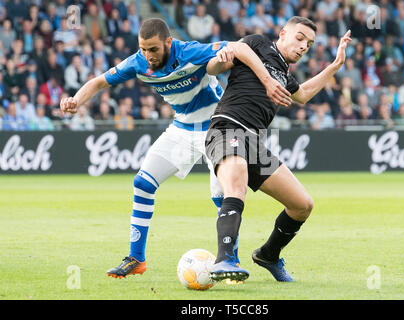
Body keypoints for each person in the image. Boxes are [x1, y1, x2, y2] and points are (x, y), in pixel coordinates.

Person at [60, 18, 290, 279]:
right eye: (143, 49)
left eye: (153, 50)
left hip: (215, 129)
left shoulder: (189, 51)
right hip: (181, 129)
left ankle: (230, 261)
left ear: (168, 42)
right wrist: (75, 100)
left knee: (224, 195)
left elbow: (238, 47)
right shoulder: (137, 62)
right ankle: (137, 258)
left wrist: (234, 59)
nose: (147, 56)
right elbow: (99, 82)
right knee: (143, 183)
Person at [204, 16, 352, 282]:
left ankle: (268, 255)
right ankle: (223, 259)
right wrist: (263, 79)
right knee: (236, 186)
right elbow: (227, 57)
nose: (304, 46)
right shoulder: (259, 43)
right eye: (299, 38)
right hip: (227, 128)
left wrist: (335, 65)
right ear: (283, 33)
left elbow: (304, 94)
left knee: (302, 205)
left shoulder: (284, 74)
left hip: (255, 144)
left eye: (309, 43)